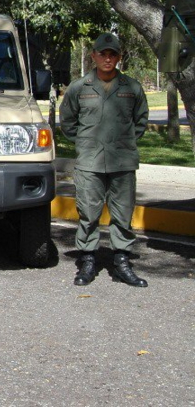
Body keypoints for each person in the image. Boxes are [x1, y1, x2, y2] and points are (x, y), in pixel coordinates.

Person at [60, 32, 150, 287]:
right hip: (90, 161)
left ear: (119, 57)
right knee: (88, 213)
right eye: (103, 54)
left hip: (122, 161)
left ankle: (121, 263)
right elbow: (68, 120)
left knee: (123, 214)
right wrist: (87, 143)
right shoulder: (79, 87)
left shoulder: (131, 87)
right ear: (94, 56)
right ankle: (88, 262)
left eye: (113, 55)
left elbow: (140, 121)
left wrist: (123, 141)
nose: (108, 59)